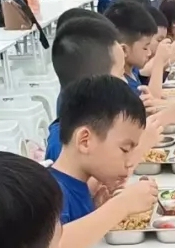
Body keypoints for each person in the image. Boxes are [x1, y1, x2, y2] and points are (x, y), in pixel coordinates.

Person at [48, 75, 162, 248]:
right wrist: (122, 205)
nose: (129, 162)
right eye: (125, 149)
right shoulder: (49, 193)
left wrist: (96, 206)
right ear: (85, 141)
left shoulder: (80, 186)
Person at [45, 14, 127, 161]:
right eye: (121, 74)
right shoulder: (63, 146)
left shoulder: (99, 120)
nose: (126, 82)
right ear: (94, 82)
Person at [105, 0, 161, 92]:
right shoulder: (122, 85)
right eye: (145, 48)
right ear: (124, 50)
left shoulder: (133, 70)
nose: (149, 53)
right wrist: (160, 60)